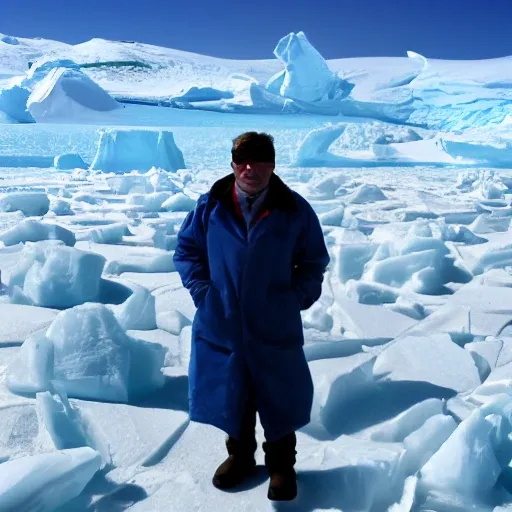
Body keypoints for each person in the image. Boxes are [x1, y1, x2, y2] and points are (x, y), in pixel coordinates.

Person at [174, 132, 330, 501]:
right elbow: (187, 251)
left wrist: (294, 298)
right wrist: (202, 291)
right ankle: (240, 458)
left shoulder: (293, 209)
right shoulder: (210, 207)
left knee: (278, 394)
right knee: (233, 393)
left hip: (273, 320)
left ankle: (281, 467)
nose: (249, 168)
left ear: (272, 165)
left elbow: (313, 261)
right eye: (242, 160)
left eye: (259, 161)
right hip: (222, 319)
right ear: (232, 164)